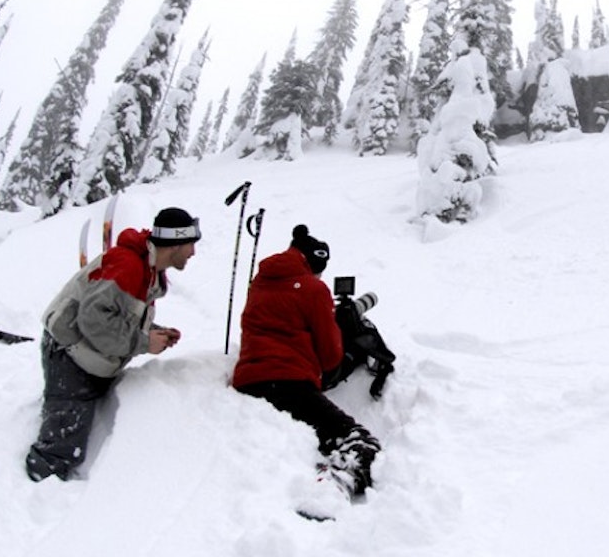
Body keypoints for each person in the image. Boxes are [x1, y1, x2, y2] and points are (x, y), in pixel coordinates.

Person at [24, 207, 201, 482]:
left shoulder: (148, 269)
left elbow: (117, 315)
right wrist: (144, 342)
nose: (193, 253)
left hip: (88, 354)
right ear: (176, 243)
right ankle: (39, 489)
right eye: (191, 244)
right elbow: (93, 320)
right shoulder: (129, 266)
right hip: (69, 354)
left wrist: (153, 332)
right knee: (62, 448)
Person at [231, 225, 381, 497]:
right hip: (289, 385)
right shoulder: (313, 289)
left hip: (247, 382)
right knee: (359, 442)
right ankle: (329, 493)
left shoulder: (260, 281)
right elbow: (330, 357)